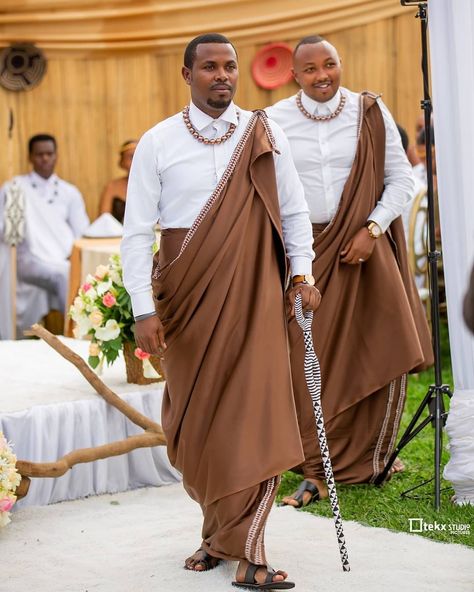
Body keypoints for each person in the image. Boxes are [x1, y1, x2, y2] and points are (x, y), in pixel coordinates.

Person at [121, 33, 320, 590]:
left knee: (254, 412)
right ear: (187, 76)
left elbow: (296, 210)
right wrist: (142, 309)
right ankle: (216, 534)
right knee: (198, 423)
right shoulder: (158, 143)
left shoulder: (264, 132)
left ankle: (251, 551)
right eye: (209, 67)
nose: (222, 76)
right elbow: (137, 233)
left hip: (254, 291)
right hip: (183, 299)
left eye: (229, 66)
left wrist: (301, 274)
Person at [266, 36, 434, 508]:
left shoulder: (370, 112)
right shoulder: (273, 121)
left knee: (371, 347)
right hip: (303, 254)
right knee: (305, 357)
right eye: (311, 68)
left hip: (362, 251)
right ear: (295, 75)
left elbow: (401, 180)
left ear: (341, 64)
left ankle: (364, 456)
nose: (323, 75)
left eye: (330, 64)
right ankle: (313, 461)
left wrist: (373, 228)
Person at [0, 134, 90, 339]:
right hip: (26, 260)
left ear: (56, 156)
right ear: (30, 157)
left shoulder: (69, 192)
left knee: (72, 270)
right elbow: (4, 231)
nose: (45, 159)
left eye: (49, 154)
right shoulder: (14, 188)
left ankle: (82, 331)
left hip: (63, 257)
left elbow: (81, 231)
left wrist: (72, 255)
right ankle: (76, 334)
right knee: (64, 275)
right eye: (39, 154)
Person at [98, 140, 137, 223]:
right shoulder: (112, 187)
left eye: (140, 156)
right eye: (132, 156)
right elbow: (103, 220)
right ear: (122, 162)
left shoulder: (156, 185)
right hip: (118, 235)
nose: (136, 160)